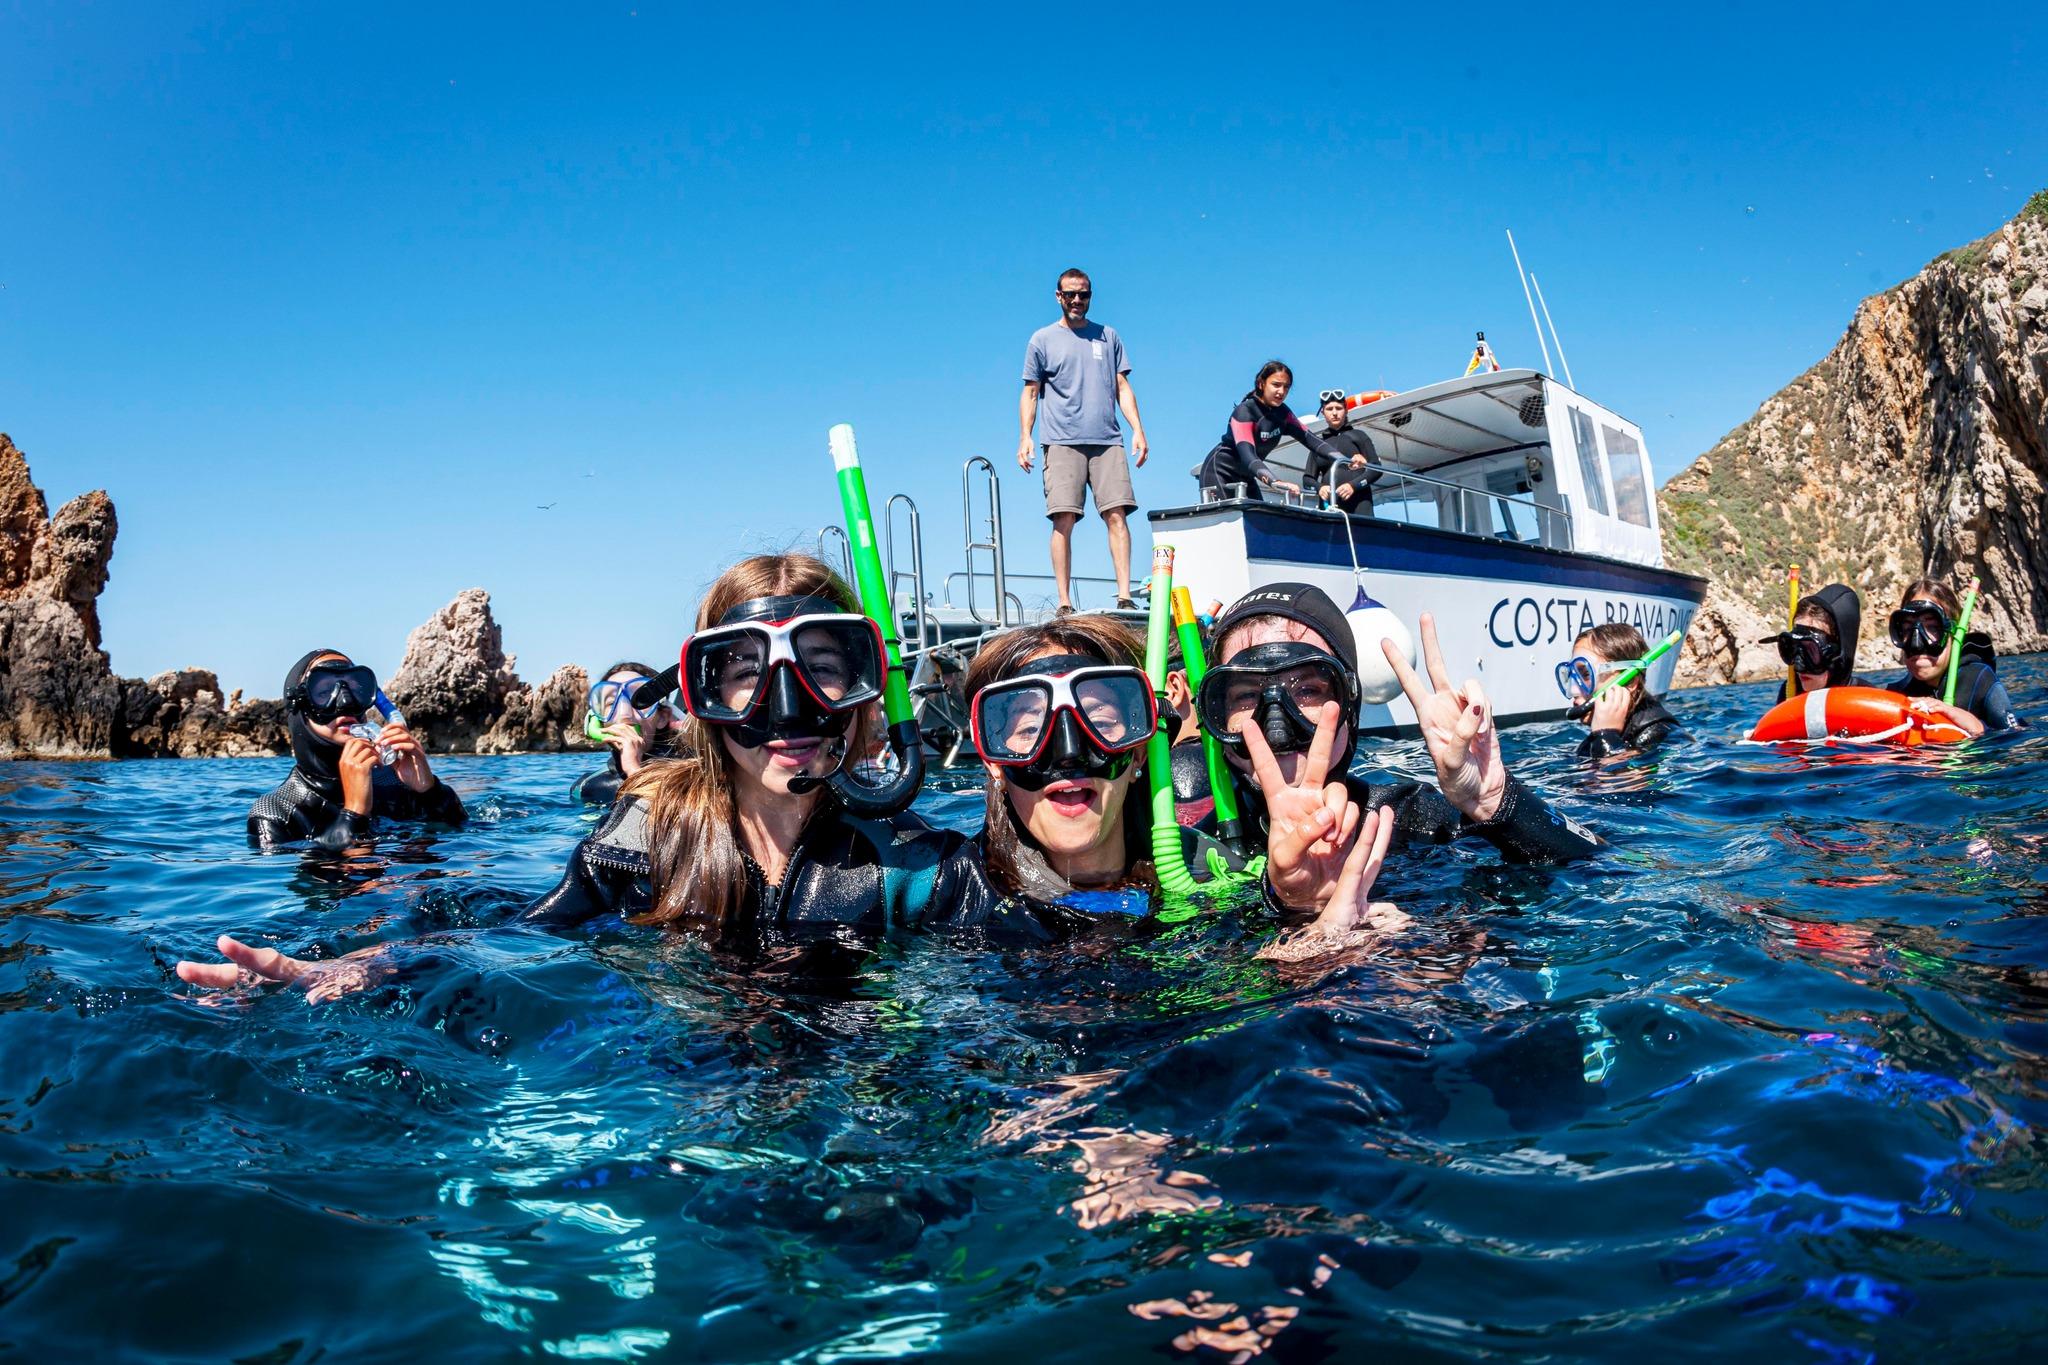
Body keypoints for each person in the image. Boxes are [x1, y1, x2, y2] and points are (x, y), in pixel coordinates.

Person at [966, 612, 1395, 953]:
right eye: (1028, 731)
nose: (1069, 754)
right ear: (993, 761)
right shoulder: (951, 887)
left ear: (1138, 749)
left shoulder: (1206, 876)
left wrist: (1308, 918)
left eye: (1100, 722)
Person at [1191, 583, 1601, 917]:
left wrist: (1497, 803)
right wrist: (1296, 908)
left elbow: (1595, 876)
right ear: (1215, 713)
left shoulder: (1407, 817)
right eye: (1246, 696)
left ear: (1351, 707)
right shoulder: (1191, 851)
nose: (1277, 727)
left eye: (1309, 690)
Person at [1019, 267, 1148, 613]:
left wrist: (1137, 429)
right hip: (1061, 441)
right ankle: (1064, 602)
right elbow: (1030, 392)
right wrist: (1025, 437)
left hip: (1107, 440)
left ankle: (1125, 596)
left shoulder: (1108, 336)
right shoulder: (1041, 340)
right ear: (1058, 296)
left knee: (1117, 514)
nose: (1078, 300)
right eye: (1071, 294)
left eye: (1084, 294)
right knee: (1063, 518)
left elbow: (1122, 387)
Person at [246, 650, 464, 850]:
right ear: (300, 707)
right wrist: (354, 813)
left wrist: (430, 791)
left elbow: (461, 839)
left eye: (356, 689)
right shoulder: (274, 813)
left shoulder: (397, 780)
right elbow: (315, 888)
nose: (345, 701)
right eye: (324, 692)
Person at [1883, 578, 2020, 734]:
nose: (1916, 643)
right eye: (1908, 629)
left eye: (1932, 628)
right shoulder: (1898, 693)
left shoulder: (1979, 680)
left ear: (1953, 633)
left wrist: (1979, 728)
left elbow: (2015, 736)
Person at [1197, 361, 1339, 503]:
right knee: (1228, 521)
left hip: (1246, 475)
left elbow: (1311, 440)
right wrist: (1275, 481)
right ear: (1261, 384)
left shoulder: (1283, 413)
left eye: (1286, 387)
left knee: (1259, 518)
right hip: (1219, 471)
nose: (1282, 392)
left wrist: (1344, 459)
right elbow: (1249, 456)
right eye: (1276, 385)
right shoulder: (1245, 412)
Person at [1557, 623, 1683, 758]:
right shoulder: (1594, 739)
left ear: (1629, 682)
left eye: (1586, 674)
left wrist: (1606, 734)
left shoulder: (1662, 739)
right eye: (1571, 676)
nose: (1574, 690)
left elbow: (1616, 777)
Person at [571, 661, 684, 806]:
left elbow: (673, 822)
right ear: (597, 722)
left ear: (662, 718)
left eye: (639, 701)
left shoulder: (690, 777)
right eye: (611, 703)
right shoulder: (585, 788)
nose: (624, 715)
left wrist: (633, 769)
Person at [1763, 583, 1873, 699]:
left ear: (1839, 654)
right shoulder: (1789, 694)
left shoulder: (1868, 700)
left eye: (1810, 650)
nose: (1798, 665)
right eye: (1792, 648)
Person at [1306, 388, 1383, 514]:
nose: (1334, 413)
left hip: (1359, 504)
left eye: (1339, 408)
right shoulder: (1318, 444)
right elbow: (1307, 479)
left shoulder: (1359, 436)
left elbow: (1377, 469)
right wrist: (1319, 488)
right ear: (1323, 413)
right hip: (1329, 506)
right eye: (1329, 409)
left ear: (1346, 410)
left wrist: (1353, 486)